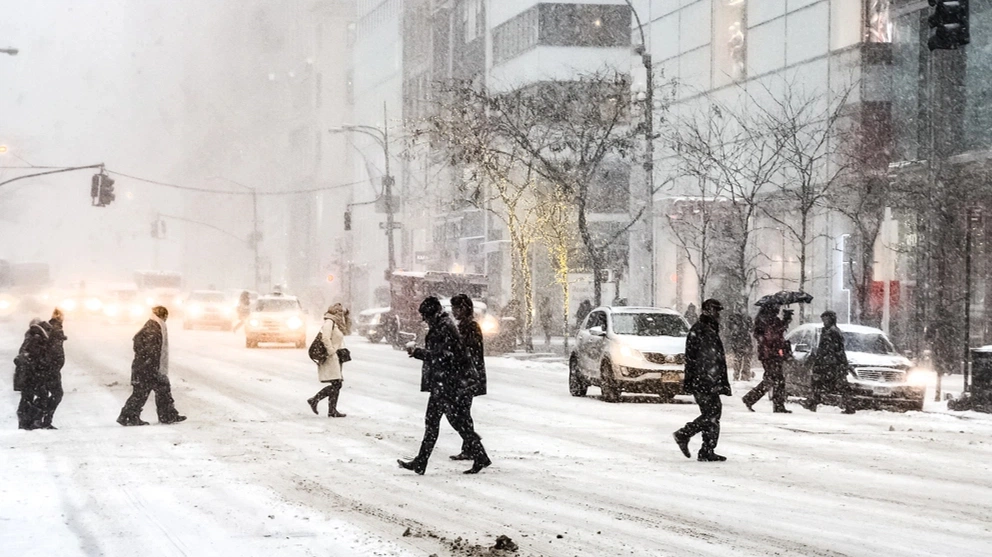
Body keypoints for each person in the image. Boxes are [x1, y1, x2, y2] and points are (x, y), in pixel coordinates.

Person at [398, 296, 491, 475]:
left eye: (425, 315)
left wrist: (418, 352)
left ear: (432, 313)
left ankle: (478, 456)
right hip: (445, 382)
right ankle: (423, 461)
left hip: (447, 382)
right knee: (444, 421)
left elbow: (445, 356)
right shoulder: (443, 325)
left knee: (449, 421)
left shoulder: (445, 327)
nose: (424, 319)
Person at [673, 299, 732, 462]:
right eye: (716, 310)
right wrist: (710, 379)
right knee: (711, 413)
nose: (718, 314)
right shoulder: (702, 330)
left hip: (707, 379)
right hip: (704, 380)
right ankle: (684, 435)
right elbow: (705, 358)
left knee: (713, 413)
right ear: (707, 310)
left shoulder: (708, 329)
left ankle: (706, 449)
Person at [117, 306, 186, 426]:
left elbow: (139, 343)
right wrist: (151, 366)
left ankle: (166, 415)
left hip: (147, 366)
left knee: (160, 389)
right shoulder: (153, 328)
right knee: (142, 392)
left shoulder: (152, 325)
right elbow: (151, 350)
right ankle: (129, 416)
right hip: (148, 367)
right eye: (166, 317)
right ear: (163, 316)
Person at [449, 294, 487, 461]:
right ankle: (470, 444)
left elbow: (469, 352)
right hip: (466, 376)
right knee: (462, 412)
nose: (453, 312)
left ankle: (471, 443)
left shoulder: (470, 327)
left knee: (460, 412)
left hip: (467, 377)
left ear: (463, 309)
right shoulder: (464, 326)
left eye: (455, 308)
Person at [743, 304, 793, 413]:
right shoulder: (766, 321)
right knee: (776, 379)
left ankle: (751, 399)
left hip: (770, 354)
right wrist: (784, 321)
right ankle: (776, 404)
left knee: (772, 379)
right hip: (770, 354)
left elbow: (778, 332)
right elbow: (773, 336)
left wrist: (786, 319)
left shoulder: (767, 320)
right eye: (776, 307)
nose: (778, 309)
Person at [804, 310, 856, 414]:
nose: (824, 322)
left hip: (830, 363)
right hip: (831, 362)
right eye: (823, 320)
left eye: (825, 319)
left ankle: (813, 402)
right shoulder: (830, 331)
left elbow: (832, 349)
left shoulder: (832, 332)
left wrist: (822, 361)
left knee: (821, 382)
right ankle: (813, 402)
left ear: (831, 319)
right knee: (829, 383)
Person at [307, 303, 350, 418]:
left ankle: (331, 410)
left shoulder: (336, 323)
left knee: (336, 383)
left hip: (334, 356)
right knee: (337, 383)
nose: (341, 314)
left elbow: (344, 333)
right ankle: (315, 400)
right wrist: (331, 351)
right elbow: (325, 338)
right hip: (329, 356)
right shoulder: (329, 322)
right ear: (335, 312)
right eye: (339, 312)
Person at [14, 318, 51, 430]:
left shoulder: (31, 337)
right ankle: (31, 422)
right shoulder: (36, 338)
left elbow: (23, 355)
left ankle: (27, 422)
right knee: (39, 396)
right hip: (33, 374)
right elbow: (32, 356)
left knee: (28, 397)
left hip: (29, 374)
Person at [35, 308, 67, 429]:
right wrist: (53, 367)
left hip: (47, 369)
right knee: (56, 394)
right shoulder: (56, 330)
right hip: (50, 369)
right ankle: (44, 419)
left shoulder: (49, 329)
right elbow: (55, 352)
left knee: (45, 395)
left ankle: (40, 419)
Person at [725, 307, 754, 381]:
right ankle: (738, 375)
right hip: (739, 340)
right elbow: (731, 327)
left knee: (744, 359)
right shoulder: (735, 318)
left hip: (744, 340)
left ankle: (743, 375)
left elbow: (751, 328)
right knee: (739, 359)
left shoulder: (746, 318)